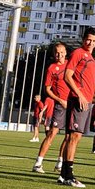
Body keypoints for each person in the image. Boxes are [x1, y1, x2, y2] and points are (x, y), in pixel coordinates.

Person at [59, 27, 95, 187]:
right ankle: (68, 176)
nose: (91, 43)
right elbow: (67, 75)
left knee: (74, 137)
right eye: (89, 39)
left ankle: (63, 176)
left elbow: (90, 85)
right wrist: (80, 95)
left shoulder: (91, 59)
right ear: (83, 39)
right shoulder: (78, 53)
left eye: (94, 41)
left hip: (86, 102)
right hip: (78, 100)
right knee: (73, 137)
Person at [32, 42, 68, 174]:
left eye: (62, 52)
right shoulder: (52, 68)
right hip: (60, 105)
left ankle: (59, 163)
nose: (60, 55)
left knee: (69, 136)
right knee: (52, 133)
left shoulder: (71, 65)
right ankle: (38, 163)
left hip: (71, 104)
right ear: (54, 54)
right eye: (57, 52)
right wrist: (60, 100)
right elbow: (47, 89)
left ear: (66, 52)